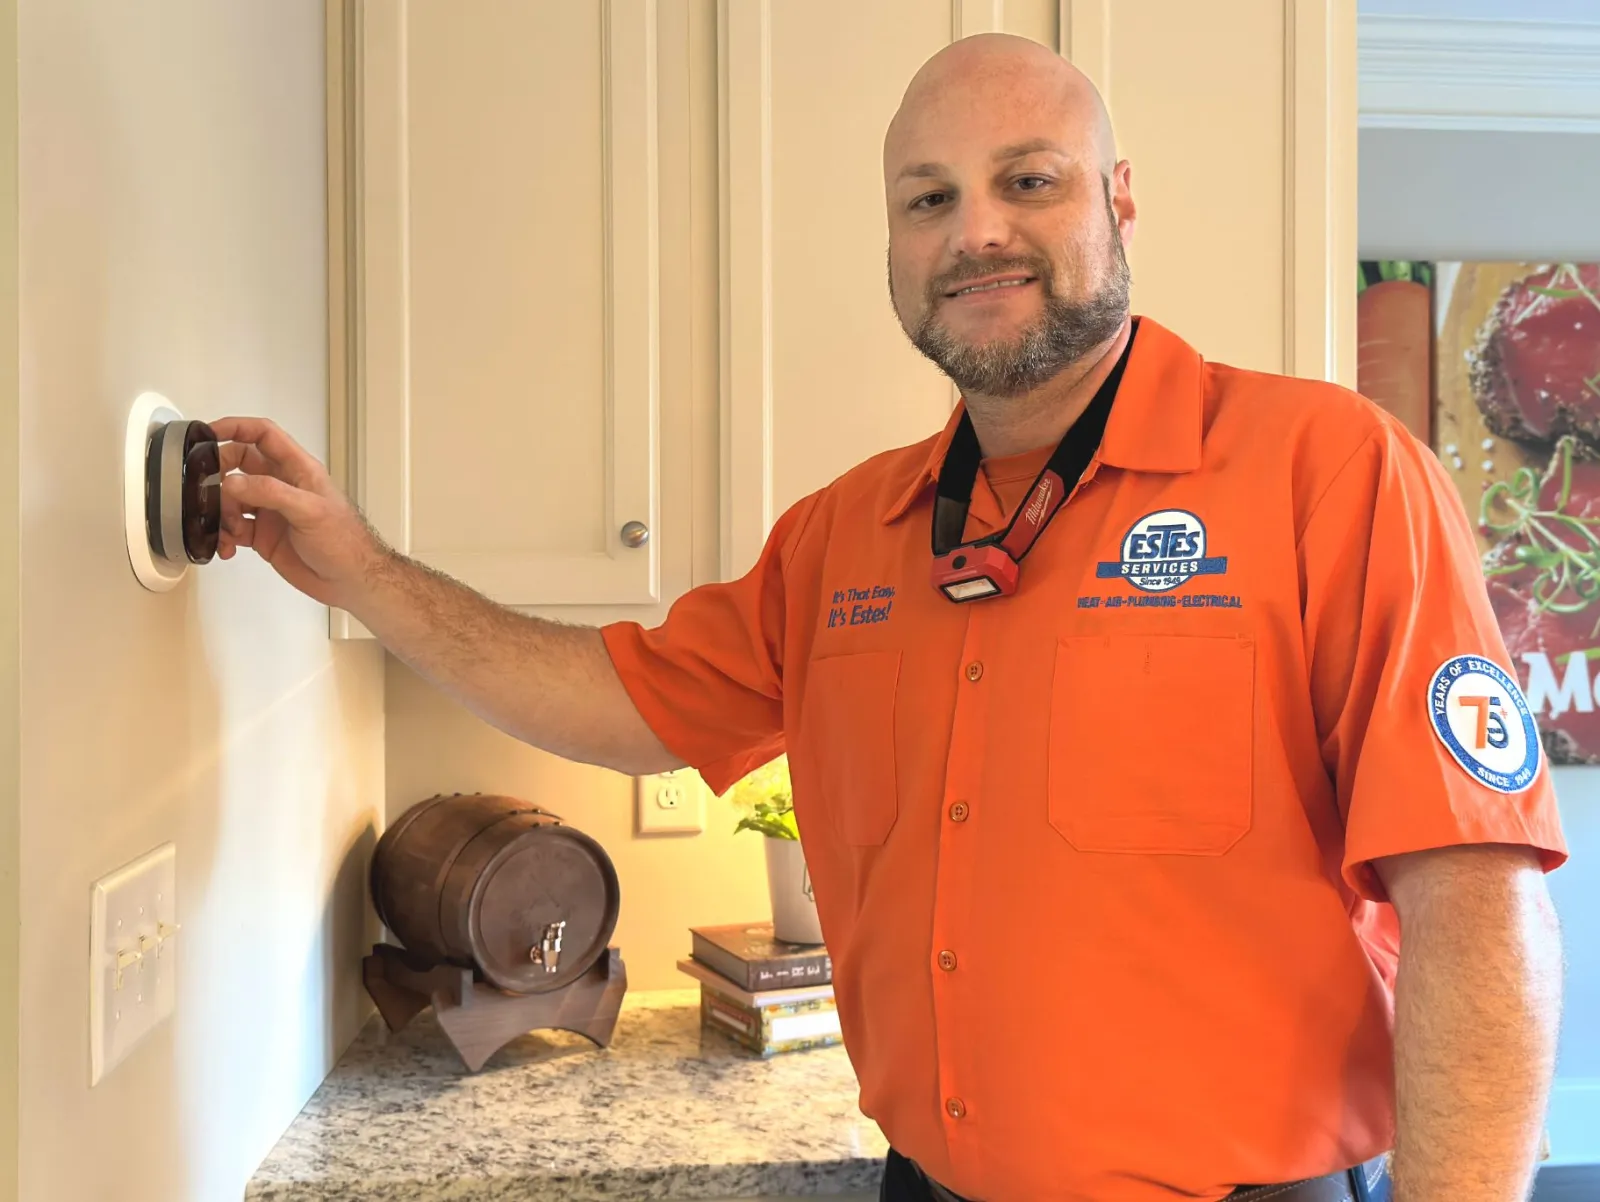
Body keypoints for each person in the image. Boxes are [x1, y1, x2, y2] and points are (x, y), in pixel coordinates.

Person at [211, 33, 1566, 1202]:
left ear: (1119, 200)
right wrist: (362, 570)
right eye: (929, 198)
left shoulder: (1328, 474)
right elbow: (619, 699)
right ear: (896, 246)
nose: (975, 232)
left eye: (1027, 180)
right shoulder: (844, 535)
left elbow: (1477, 904)